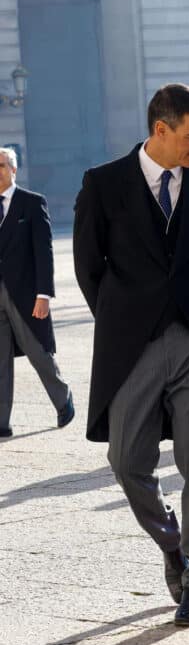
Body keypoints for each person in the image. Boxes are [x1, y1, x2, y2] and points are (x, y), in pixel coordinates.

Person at [73, 83, 189, 627]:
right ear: (160, 130)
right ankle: (172, 540)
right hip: (131, 344)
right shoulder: (103, 183)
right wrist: (125, 317)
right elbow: (88, 267)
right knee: (126, 463)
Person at [0, 147, 74, 437]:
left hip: (26, 295)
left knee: (38, 353)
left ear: (14, 170)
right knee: (0, 361)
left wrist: (44, 294)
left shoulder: (31, 203)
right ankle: (1, 422)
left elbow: (44, 252)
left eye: (2, 166)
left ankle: (63, 398)